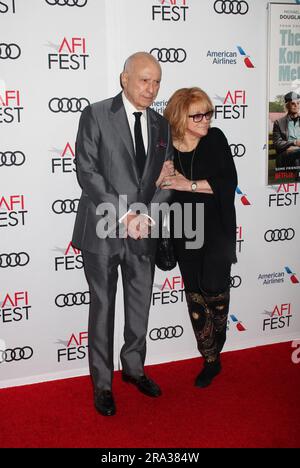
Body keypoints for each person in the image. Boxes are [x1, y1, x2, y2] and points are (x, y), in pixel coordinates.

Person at [72, 52, 174, 416]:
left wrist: (144, 215)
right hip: (103, 228)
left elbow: (166, 177)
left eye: (157, 81)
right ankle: (102, 384)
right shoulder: (96, 114)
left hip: (143, 230)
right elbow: (87, 171)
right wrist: (125, 213)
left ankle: (133, 369)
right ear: (124, 78)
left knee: (139, 305)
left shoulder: (162, 125)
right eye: (144, 80)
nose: (151, 88)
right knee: (103, 307)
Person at [159, 87, 237, 388]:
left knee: (216, 294)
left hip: (216, 225)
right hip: (184, 226)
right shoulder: (168, 147)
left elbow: (227, 183)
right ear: (180, 117)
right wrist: (164, 177)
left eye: (208, 113)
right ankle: (211, 359)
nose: (205, 120)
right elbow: (161, 186)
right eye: (197, 115)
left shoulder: (215, 139)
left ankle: (218, 339)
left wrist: (187, 184)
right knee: (195, 296)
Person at [273, 91, 300, 168]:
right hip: (285, 156)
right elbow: (277, 143)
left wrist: (295, 147)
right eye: (293, 103)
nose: (296, 106)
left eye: (298, 103)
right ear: (287, 105)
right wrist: (294, 143)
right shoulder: (279, 122)